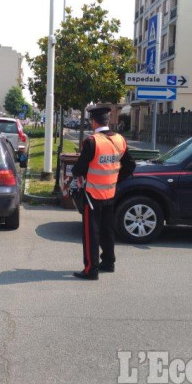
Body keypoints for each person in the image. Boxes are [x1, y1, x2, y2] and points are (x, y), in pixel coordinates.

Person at [71, 105, 136, 280]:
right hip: (110, 192)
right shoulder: (120, 140)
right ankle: (108, 262)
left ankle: (91, 270)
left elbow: (78, 169)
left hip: (92, 194)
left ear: (93, 122)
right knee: (107, 229)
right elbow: (130, 165)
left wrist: (78, 172)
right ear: (107, 120)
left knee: (91, 232)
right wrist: (115, 178)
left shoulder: (92, 141)